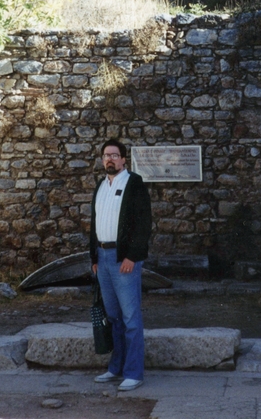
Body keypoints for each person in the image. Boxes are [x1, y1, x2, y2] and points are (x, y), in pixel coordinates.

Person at [90, 140, 152, 391]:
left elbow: (143, 223)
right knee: (113, 316)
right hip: (103, 258)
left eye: (115, 155)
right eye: (106, 155)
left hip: (123, 258)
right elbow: (94, 224)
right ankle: (116, 367)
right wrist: (94, 258)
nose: (110, 159)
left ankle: (134, 373)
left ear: (124, 159)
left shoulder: (133, 183)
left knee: (131, 318)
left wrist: (132, 257)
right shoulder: (101, 185)